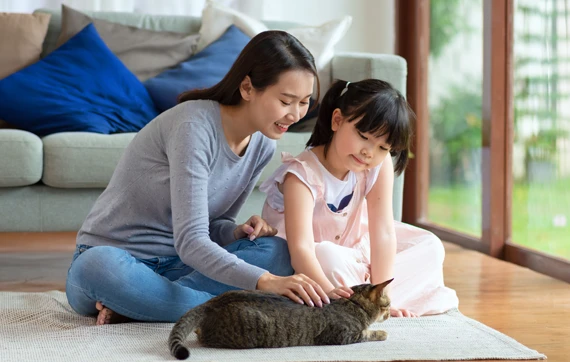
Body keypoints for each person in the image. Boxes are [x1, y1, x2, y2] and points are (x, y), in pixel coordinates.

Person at [66, 30, 332, 325]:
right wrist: (264, 283)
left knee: (278, 252)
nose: (295, 114)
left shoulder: (263, 146)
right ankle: (225, 305)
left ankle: (144, 306)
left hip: (180, 268)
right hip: (118, 260)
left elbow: (211, 226)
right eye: (286, 101)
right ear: (247, 88)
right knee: (98, 267)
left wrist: (236, 232)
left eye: (304, 102)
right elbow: (191, 241)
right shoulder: (193, 126)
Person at [260, 79, 459, 317]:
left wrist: (382, 295)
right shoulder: (301, 175)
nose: (369, 152)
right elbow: (301, 249)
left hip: (355, 249)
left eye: (383, 147)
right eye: (363, 136)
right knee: (327, 256)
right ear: (337, 120)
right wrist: (329, 291)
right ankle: (346, 301)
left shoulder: (377, 164)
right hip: (310, 265)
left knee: (430, 246)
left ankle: (372, 301)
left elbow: (383, 231)